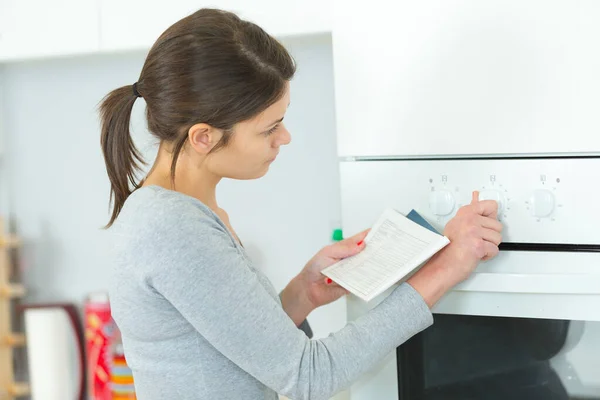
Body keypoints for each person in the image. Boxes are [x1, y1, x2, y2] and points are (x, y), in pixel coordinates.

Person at [99, 8, 503, 400]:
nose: (285, 137)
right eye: (269, 128)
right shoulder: (173, 228)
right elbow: (309, 376)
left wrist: (302, 294)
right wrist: (446, 267)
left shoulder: (177, 214)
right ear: (203, 137)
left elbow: (224, 350)